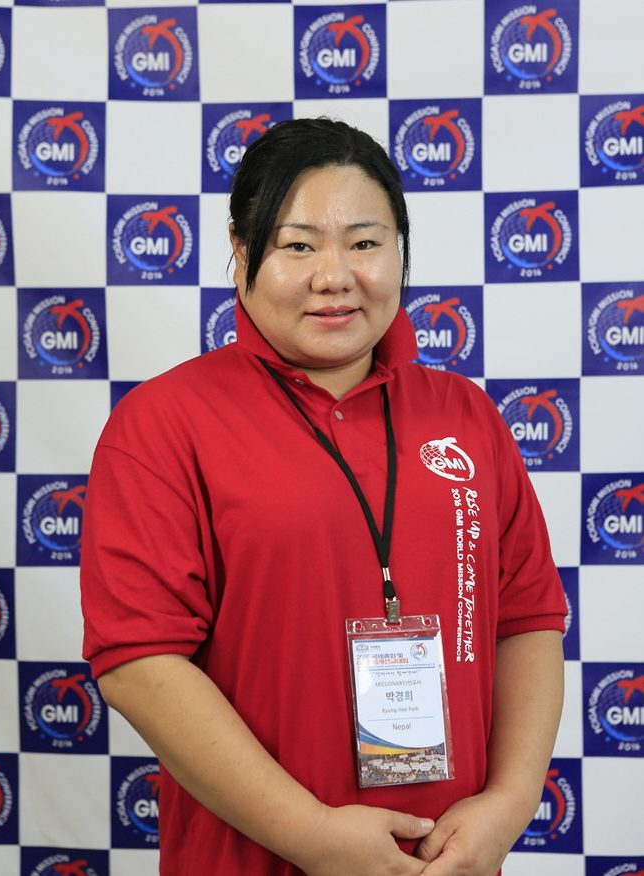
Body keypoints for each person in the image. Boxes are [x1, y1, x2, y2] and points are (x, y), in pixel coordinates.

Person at [81, 118, 566, 876]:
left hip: (449, 859)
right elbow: (139, 661)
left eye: (364, 242)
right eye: (298, 246)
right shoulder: (163, 423)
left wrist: (508, 803)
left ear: (400, 248)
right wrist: (311, 835)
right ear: (242, 250)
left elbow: (527, 620)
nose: (335, 276)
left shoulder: (465, 415)